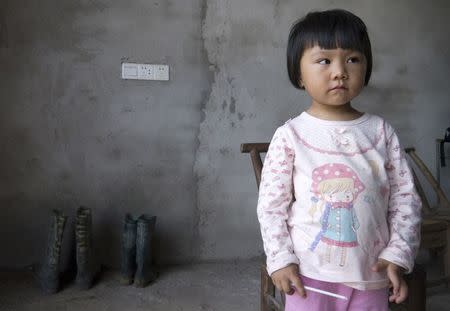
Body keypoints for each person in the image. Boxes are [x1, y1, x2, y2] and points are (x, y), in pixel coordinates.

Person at [256, 9, 422, 311]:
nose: (339, 71)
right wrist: (280, 259)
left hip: (372, 273)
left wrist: (398, 254)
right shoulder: (291, 135)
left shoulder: (380, 133)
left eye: (352, 59)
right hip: (307, 276)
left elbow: (406, 199)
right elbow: (271, 206)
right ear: (298, 74)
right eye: (324, 60)